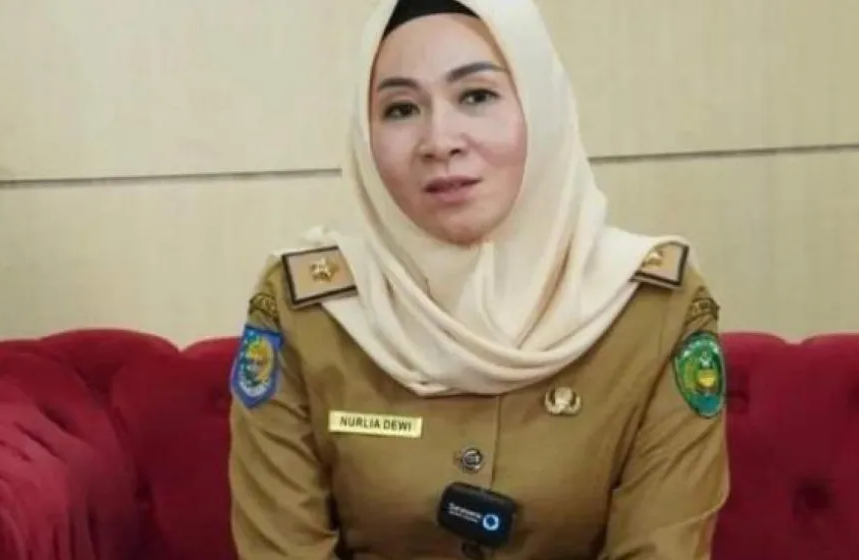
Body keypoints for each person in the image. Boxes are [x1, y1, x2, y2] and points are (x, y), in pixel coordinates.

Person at [228, 0, 729, 558]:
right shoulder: (306, 312)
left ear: (541, 108)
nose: (439, 141)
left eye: (476, 96)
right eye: (400, 109)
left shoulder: (653, 309)